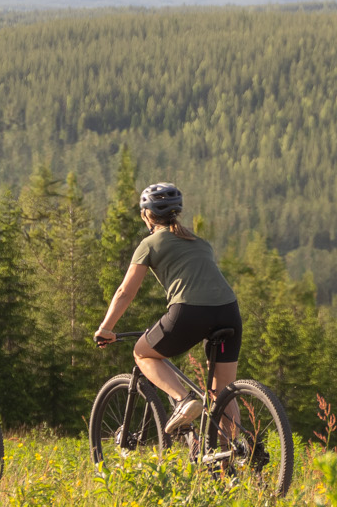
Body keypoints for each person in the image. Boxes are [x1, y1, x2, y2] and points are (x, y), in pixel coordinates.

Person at [93, 182, 240, 433]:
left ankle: (184, 401)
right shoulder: (200, 241)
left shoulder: (149, 244)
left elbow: (125, 292)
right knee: (222, 393)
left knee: (142, 353)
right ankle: (235, 455)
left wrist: (106, 328)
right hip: (229, 312)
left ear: (146, 214)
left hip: (190, 311)